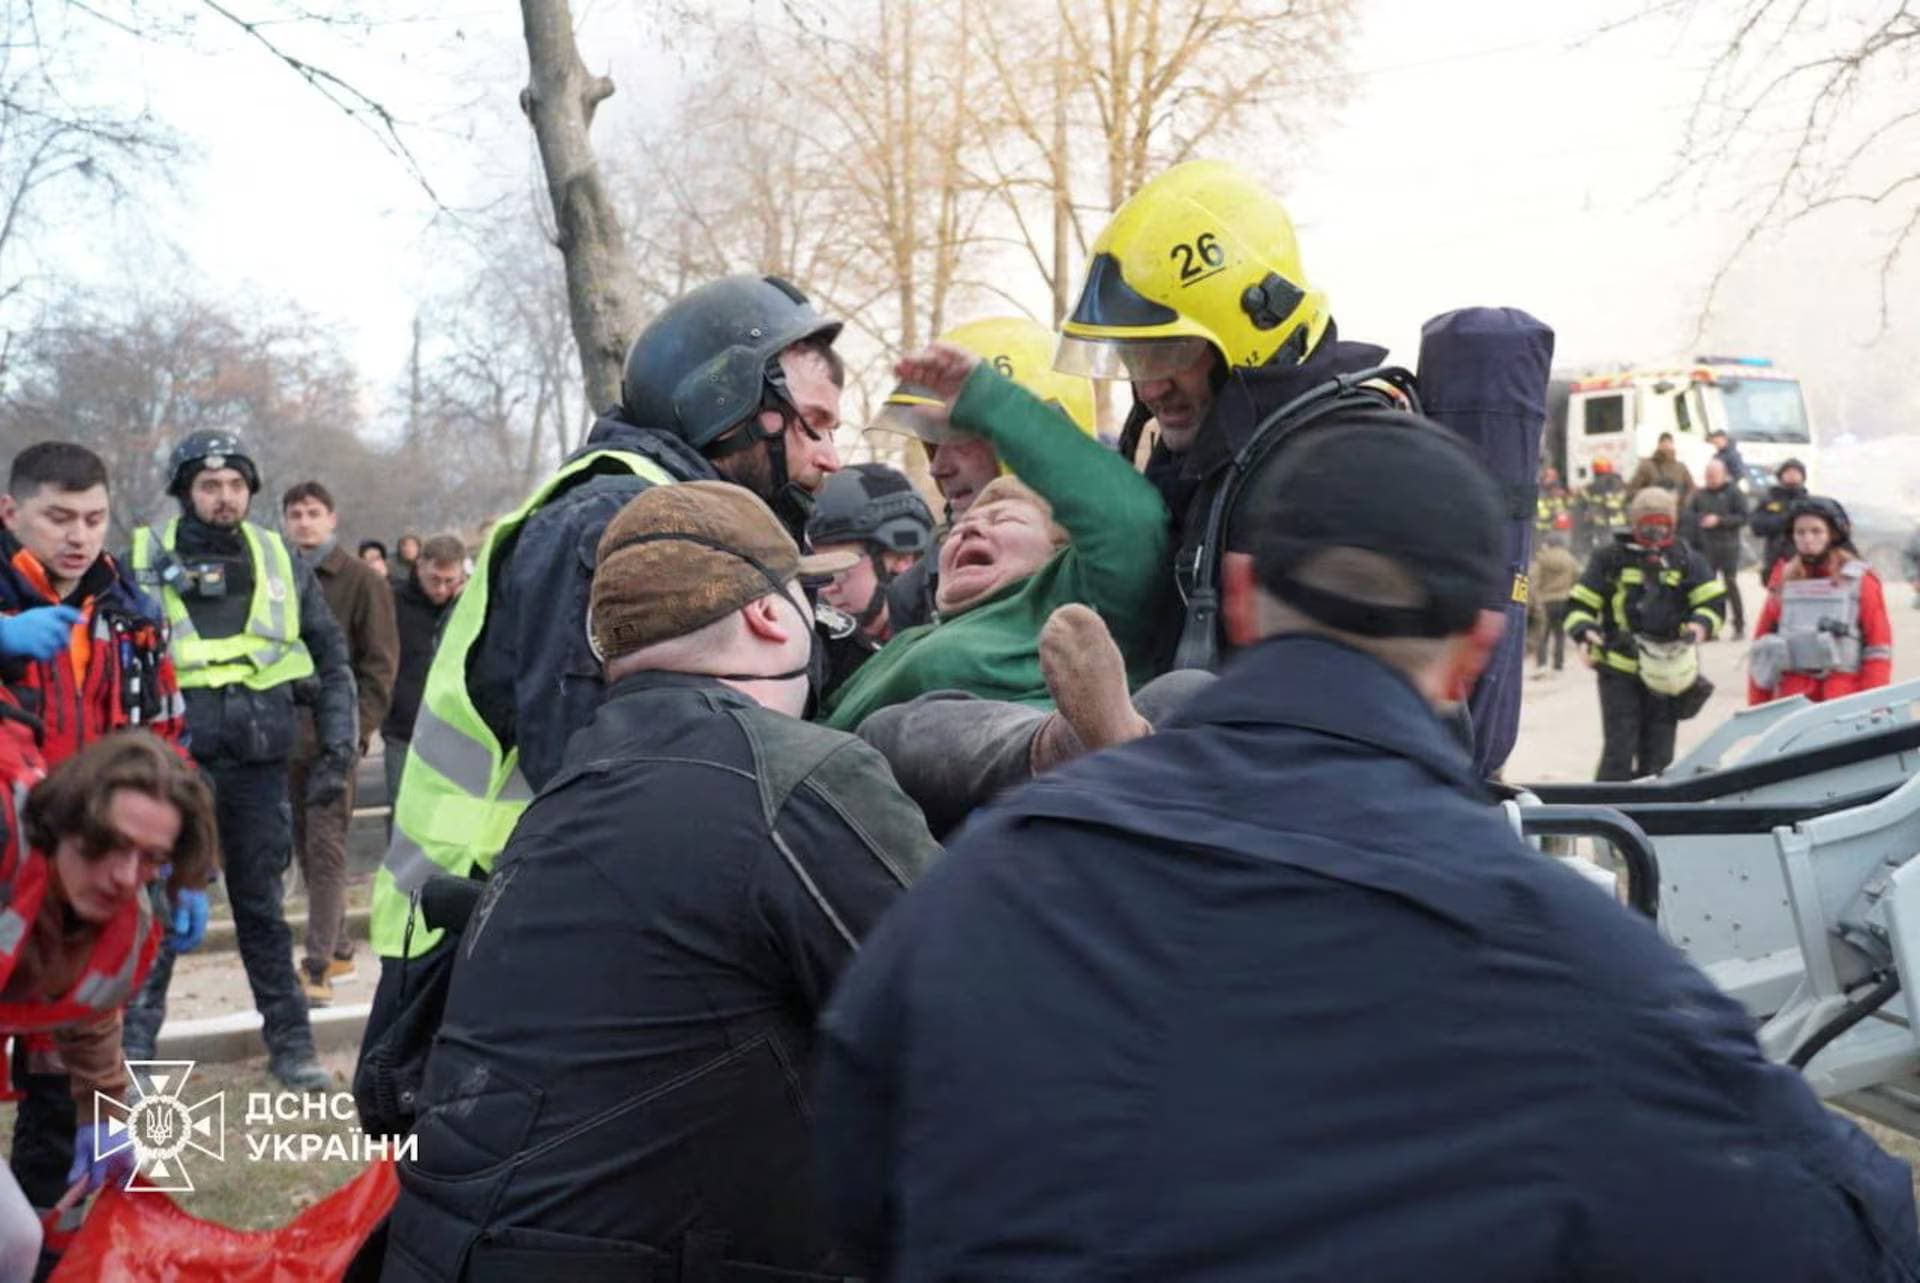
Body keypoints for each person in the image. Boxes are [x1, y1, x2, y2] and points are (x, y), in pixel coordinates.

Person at [813, 408, 1920, 1282]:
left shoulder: (985, 893)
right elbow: (1846, 1235)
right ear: (1475, 649)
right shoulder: (1582, 974)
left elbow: (856, 1186)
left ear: (1241, 600)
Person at [382, 481, 939, 1282]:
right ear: (768, 615)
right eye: (804, 599)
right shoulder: (795, 772)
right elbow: (975, 1017)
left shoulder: (563, 793)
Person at [361, 274, 846, 1134]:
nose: (831, 459)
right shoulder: (614, 526)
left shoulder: (669, 520)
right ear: (729, 405)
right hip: (484, 940)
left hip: (530, 924)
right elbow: (610, 784)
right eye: (814, 425)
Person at [1052, 158, 1400, 671]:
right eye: (1134, 356)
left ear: (1253, 331)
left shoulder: (1332, 473)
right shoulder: (1203, 467)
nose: (1149, 388)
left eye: (1169, 354)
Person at [822, 343, 1183, 835]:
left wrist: (990, 401)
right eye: (959, 531)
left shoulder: (1070, 594)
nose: (969, 529)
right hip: (854, 807)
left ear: (1059, 548)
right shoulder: (911, 636)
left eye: (1003, 518)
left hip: (1010, 802)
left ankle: (1066, 742)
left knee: (891, 730)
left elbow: (1128, 522)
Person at [0, 442, 196, 1271]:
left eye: (93, 518)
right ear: (11, 512)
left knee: (63, 1089)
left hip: (68, 883)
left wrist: (180, 865)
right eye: (57, 517)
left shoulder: (132, 614)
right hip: (20, 855)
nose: (78, 536)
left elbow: (166, 746)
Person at [124, 430, 355, 1091]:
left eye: (235, 486)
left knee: (260, 909)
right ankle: (135, 1056)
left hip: (258, 765)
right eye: (209, 486)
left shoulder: (280, 557)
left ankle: (292, 1046)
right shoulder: (141, 558)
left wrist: (338, 748)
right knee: (158, 909)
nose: (224, 497)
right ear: (184, 492)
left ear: (249, 490)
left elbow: (332, 659)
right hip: (169, 764)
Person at [0, 728, 218, 1283]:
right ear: (66, 821)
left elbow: (88, 1010)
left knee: (15, 1244)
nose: (125, 878)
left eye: (151, 860)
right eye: (113, 845)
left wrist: (102, 1111)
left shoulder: (123, 920)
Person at [865, 317, 1099, 630]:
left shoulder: (1125, 567)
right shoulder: (914, 593)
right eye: (931, 444)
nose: (937, 467)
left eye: (958, 438)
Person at [280, 481, 398, 1007]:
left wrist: (356, 731)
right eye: (295, 514)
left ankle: (318, 964)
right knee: (305, 847)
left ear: (332, 518)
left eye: (313, 513)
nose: (304, 522)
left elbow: (379, 664)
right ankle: (343, 945)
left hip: (337, 734)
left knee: (326, 850)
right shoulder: (278, 577)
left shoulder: (359, 581)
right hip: (284, 735)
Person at [1565, 488, 1725, 781]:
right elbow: (1581, 602)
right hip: (1617, 668)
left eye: (1662, 525)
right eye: (1647, 525)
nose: (1655, 533)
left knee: (1660, 754)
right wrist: (1584, 632)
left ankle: (1653, 817)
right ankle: (1608, 814)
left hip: (1667, 671)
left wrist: (1700, 624)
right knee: (1619, 749)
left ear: (1673, 525)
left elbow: (1712, 601)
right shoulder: (1609, 558)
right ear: (1634, 523)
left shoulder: (1686, 559)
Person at [1748, 496, 1893, 706]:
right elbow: (1761, 650)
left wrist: (1874, 704)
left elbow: (1878, 648)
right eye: (1800, 532)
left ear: (1832, 534)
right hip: (1792, 702)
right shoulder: (1783, 581)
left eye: (1816, 531)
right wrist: (1758, 708)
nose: (1807, 539)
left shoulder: (1861, 581)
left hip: (1845, 700)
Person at [806, 464, 934, 688]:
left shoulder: (948, 642)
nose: (825, 588)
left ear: (902, 557)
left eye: (839, 567)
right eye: (813, 571)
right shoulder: (808, 649)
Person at [381, 535, 467, 837]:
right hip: (403, 726)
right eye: (434, 580)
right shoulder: (392, 603)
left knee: (452, 815)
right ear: (418, 568)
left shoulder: (468, 605)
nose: (441, 589)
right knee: (403, 810)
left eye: (449, 581)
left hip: (454, 727)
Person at [1685, 456, 1751, 639]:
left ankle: (1739, 626)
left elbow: (1744, 517)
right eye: (1708, 475)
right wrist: (1700, 521)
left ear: (1724, 475)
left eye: (1714, 475)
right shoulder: (1699, 494)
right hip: (1705, 547)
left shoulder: (1734, 492)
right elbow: (1689, 517)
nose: (1711, 478)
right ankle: (1711, 626)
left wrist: (1720, 521)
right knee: (1708, 589)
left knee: (1730, 584)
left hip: (1728, 546)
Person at [1750, 456, 1809, 579]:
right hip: (1775, 560)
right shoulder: (1769, 500)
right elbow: (1757, 527)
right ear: (1780, 476)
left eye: (1796, 472)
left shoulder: (1809, 503)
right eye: (1788, 472)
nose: (1792, 475)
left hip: (1802, 561)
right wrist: (1786, 520)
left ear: (1803, 477)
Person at [1528, 532, 1579, 670]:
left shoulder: (1541, 559)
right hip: (1564, 600)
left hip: (1545, 601)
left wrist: (1533, 600)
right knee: (1560, 634)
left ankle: (1542, 664)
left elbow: (1533, 581)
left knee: (1542, 634)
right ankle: (1558, 664)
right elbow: (1577, 579)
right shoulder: (1570, 559)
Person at [1574, 455, 1627, 555]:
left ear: (1594, 471)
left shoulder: (1590, 488)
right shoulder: (1622, 485)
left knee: (1606, 549)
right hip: (1621, 524)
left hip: (1602, 525)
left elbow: (1580, 509)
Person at [1624, 431, 1695, 504]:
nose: (1666, 446)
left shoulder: (1681, 467)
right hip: (1654, 509)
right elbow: (1631, 491)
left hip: (1677, 510)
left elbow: (1691, 488)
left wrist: (1685, 503)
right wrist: (1652, 496)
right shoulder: (1647, 465)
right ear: (1658, 445)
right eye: (1664, 443)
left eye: (1669, 443)